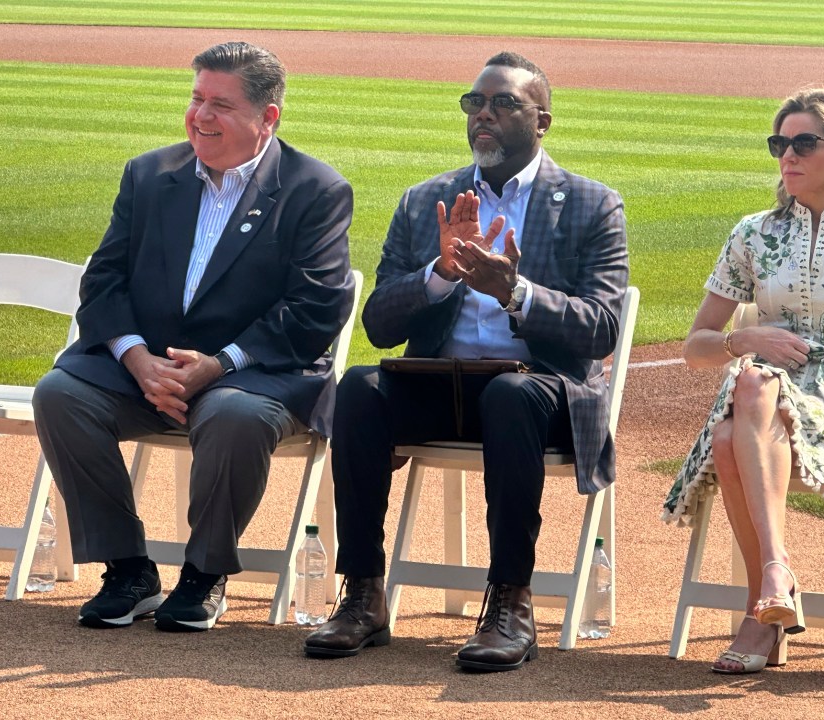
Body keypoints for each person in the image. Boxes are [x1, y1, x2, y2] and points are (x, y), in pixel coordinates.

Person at [303, 51, 629, 672]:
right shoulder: (425, 199)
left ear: (543, 122)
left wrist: (516, 292)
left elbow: (602, 329)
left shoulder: (592, 205)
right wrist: (439, 274)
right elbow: (377, 324)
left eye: (504, 103)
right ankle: (364, 594)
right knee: (360, 387)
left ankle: (511, 602)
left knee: (509, 392)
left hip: (540, 394)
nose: (484, 114)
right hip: (439, 389)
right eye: (474, 103)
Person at [32, 41, 354, 632]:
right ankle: (128, 570)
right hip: (147, 371)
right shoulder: (150, 174)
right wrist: (136, 360)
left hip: (252, 375)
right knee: (59, 394)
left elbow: (316, 309)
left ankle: (204, 576)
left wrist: (219, 363)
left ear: (268, 117)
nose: (200, 117)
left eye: (220, 105)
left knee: (235, 416)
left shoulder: (316, 190)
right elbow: (103, 280)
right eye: (197, 99)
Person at [662, 88, 824, 674]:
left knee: (729, 435)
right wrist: (746, 340)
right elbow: (696, 348)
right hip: (765, 401)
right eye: (779, 144)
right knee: (755, 383)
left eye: (803, 143)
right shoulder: (753, 234)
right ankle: (775, 574)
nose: (787, 155)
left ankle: (763, 600)